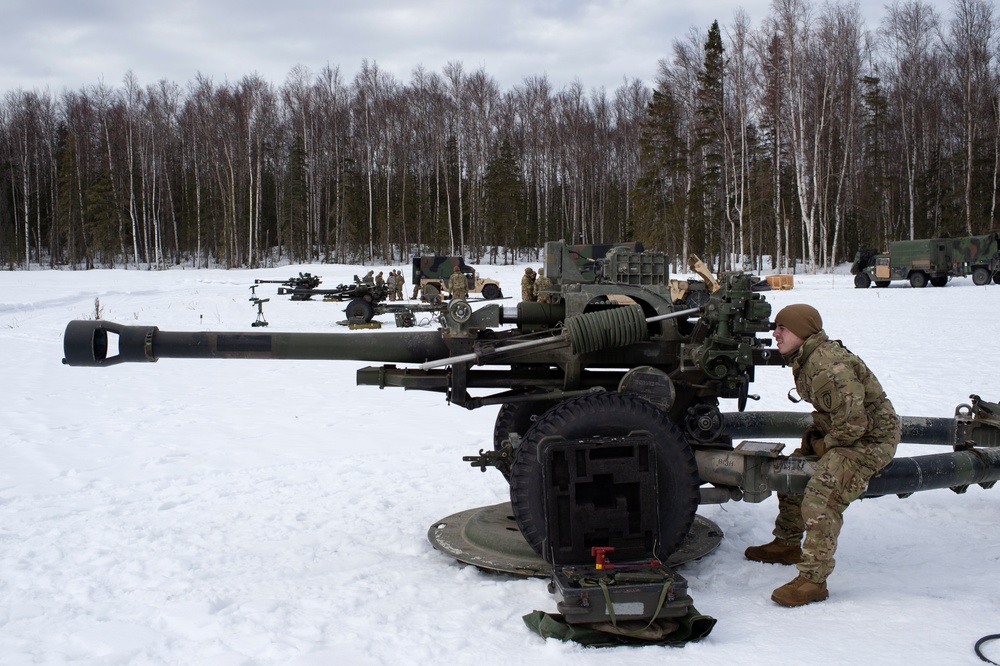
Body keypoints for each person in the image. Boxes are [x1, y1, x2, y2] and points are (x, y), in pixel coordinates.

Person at [745, 304, 900, 607]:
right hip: (845, 433)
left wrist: (826, 445)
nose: (775, 334)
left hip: (870, 440)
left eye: (782, 328)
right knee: (791, 469)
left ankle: (813, 580)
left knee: (822, 494)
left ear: (802, 332)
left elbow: (855, 425)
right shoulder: (808, 357)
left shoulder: (829, 366)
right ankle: (787, 543)